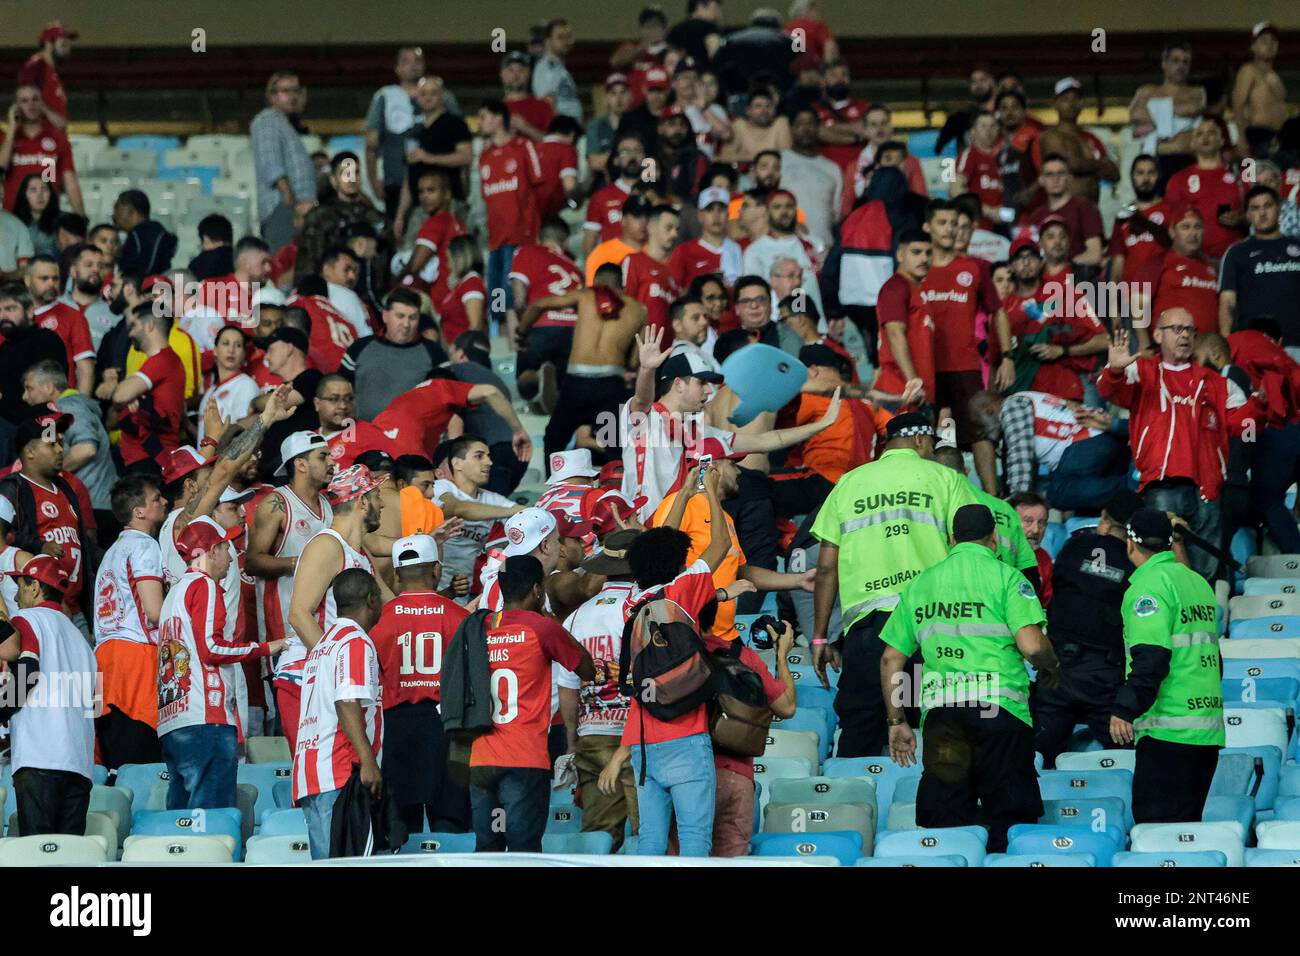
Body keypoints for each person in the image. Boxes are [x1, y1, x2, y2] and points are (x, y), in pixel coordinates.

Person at [880, 503, 1058, 853]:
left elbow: (890, 659)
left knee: (945, 824)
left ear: (951, 539)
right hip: (1000, 714)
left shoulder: (922, 584)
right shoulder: (1007, 577)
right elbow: (1033, 646)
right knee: (1009, 824)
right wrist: (1052, 667)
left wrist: (896, 721)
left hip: (944, 719)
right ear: (994, 539)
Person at [809, 412, 978, 755]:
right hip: (932, 626)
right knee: (937, 723)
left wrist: (820, 635)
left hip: (869, 632)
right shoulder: (946, 479)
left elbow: (826, 569)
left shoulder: (849, 483)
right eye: (931, 443)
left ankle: (853, 802)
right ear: (919, 440)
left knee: (860, 726)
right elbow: (972, 550)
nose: (932, 450)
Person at [621, 326, 842, 522]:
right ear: (678, 384)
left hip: (671, 532)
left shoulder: (698, 433)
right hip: (639, 531)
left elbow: (766, 441)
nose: (709, 390)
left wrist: (822, 424)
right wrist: (647, 370)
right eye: (702, 383)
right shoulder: (646, 420)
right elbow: (641, 400)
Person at [1098, 319, 1245, 579]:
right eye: (1176, 328)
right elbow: (1111, 391)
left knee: (1205, 577)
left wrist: (1260, 410)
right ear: (1157, 334)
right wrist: (1115, 371)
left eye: (1189, 329)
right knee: (1160, 567)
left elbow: (1244, 426)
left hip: (1207, 488)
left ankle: (1202, 616)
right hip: (1161, 484)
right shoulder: (1141, 371)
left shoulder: (1217, 382)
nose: (1184, 334)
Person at [157, 516, 287, 810]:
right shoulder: (204, 586)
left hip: (174, 720)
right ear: (212, 550)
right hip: (206, 719)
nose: (231, 556)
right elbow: (211, 649)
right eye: (227, 548)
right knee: (211, 821)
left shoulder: (174, 594)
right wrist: (268, 647)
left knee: (182, 819)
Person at [470, 555, 594, 852]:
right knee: (523, 850)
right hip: (523, 759)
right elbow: (586, 669)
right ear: (538, 590)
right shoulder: (541, 627)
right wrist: (555, 624)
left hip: (481, 759)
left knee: (488, 849)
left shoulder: (480, 626)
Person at [1109, 509, 1224, 823]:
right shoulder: (1197, 582)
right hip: (1206, 731)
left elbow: (1152, 658)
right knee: (1184, 837)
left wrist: (1125, 708)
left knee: (1157, 838)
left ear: (1131, 544)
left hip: (1168, 731)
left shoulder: (1147, 586)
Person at [1031, 490, 1146, 766]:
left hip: (1058, 669)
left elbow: (1057, 585)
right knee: (1126, 760)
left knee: (1036, 758)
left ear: (1104, 521)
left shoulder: (1075, 546)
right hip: (1104, 675)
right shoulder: (1137, 563)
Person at [366, 533, 469, 833]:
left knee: (401, 828)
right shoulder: (461, 617)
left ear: (397, 575)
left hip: (397, 727)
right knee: (451, 822)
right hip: (448, 726)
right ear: (436, 570)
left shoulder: (379, 620)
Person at [0, 553, 97, 836]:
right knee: (68, 858)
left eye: (21, 586)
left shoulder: (27, 619)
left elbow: (28, 673)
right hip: (79, 763)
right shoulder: (82, 639)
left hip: (39, 757)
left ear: (35, 587)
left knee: (38, 857)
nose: (17, 596)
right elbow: (96, 703)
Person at [293, 567, 385, 859]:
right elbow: (346, 702)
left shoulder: (323, 645)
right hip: (339, 773)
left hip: (312, 772)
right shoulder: (354, 642)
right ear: (372, 600)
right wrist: (369, 760)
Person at [91, 475, 168, 769]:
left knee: (114, 767)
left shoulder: (111, 551)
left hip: (103, 661)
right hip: (135, 659)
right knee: (143, 767)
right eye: (156, 499)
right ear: (139, 512)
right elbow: (155, 612)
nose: (164, 502)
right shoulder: (145, 546)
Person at [537, 268, 646, 463]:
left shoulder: (585, 295)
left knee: (554, 439)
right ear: (621, 285)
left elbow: (539, 305)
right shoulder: (639, 310)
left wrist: (521, 332)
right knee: (615, 445)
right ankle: (614, 489)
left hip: (576, 381)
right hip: (611, 383)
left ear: (595, 282)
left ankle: (553, 489)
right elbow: (634, 361)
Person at [0, 408, 94, 631]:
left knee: (84, 664)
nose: (61, 450)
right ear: (30, 451)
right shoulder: (12, 488)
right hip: (36, 608)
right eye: (52, 444)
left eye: (61, 443)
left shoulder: (67, 489)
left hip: (74, 606)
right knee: (35, 666)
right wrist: (38, 545)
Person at [21, 359, 113, 532]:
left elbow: (86, 448)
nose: (25, 397)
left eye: (29, 388)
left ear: (49, 386)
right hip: (99, 501)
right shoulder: (73, 406)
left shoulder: (68, 407)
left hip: (94, 504)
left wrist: (47, 473)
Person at [932, 446, 1040, 592]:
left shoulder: (936, 506)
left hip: (959, 599)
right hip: (1005, 596)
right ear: (966, 471)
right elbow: (1029, 571)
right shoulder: (1004, 508)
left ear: (933, 472)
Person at [477, 99, 544, 330]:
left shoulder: (523, 147)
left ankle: (517, 349)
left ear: (498, 119)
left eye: (483, 117)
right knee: (495, 297)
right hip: (495, 240)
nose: (480, 123)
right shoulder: (484, 157)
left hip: (519, 238)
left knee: (512, 296)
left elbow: (540, 185)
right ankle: (502, 351)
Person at [430, 435, 526, 589]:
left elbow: (527, 521)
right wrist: (514, 510)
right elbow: (458, 508)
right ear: (457, 463)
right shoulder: (440, 487)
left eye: (488, 456)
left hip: (464, 592)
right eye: (479, 456)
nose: (489, 462)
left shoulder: (492, 499)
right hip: (432, 586)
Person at [340, 289, 447, 420]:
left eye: (413, 318)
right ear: (385, 316)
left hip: (412, 436)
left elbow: (447, 398)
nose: (406, 324)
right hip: (362, 434)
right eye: (400, 316)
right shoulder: (359, 348)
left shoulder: (435, 354)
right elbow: (339, 390)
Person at [510, 217, 583, 407]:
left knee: (523, 381)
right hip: (574, 331)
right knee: (561, 381)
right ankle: (552, 388)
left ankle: (537, 378)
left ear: (539, 238)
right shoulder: (576, 268)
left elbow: (519, 300)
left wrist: (522, 330)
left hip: (542, 325)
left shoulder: (527, 251)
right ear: (565, 241)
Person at [1219, 186, 1300, 353]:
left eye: (1268, 206)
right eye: (1255, 208)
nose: (1262, 213)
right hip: (1254, 347)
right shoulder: (1236, 253)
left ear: (1279, 209)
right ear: (1247, 215)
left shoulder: (1298, 247)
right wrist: (1226, 346)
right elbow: (1228, 303)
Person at [109, 302, 185, 476]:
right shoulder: (165, 362)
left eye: (134, 326)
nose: (130, 333)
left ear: (149, 325)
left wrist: (129, 396)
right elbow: (112, 418)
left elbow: (120, 395)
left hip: (150, 460)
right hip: (146, 460)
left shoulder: (163, 361)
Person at [251, 71, 318, 252]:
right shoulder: (268, 120)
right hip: (283, 208)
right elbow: (270, 162)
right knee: (285, 265)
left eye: (296, 91)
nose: (292, 96)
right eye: (285, 91)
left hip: (295, 209)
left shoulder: (286, 124)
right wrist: (291, 202)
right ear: (272, 96)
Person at [397, 75, 474, 229]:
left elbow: (466, 157)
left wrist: (429, 158)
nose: (428, 97)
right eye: (423, 93)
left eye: (433, 93)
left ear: (442, 96)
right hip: (420, 209)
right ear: (417, 98)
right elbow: (409, 176)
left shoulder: (455, 124)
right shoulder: (414, 131)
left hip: (449, 206)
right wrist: (400, 214)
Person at [1162, 119, 1243, 261]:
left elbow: (1251, 212)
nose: (1205, 137)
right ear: (1192, 143)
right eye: (1199, 134)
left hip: (1232, 257)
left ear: (1222, 140)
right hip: (1194, 259)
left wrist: (1240, 219)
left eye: (1211, 133)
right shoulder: (1178, 180)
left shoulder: (1239, 177)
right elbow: (1170, 223)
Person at [295, 152, 384, 281]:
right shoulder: (319, 217)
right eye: (344, 173)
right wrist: (350, 246)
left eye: (356, 172)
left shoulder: (376, 217)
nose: (351, 178)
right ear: (333, 179)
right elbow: (309, 263)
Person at [0, 83, 83, 215]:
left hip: (48, 217)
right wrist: (11, 130)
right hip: (13, 215)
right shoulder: (6, 139)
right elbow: (1, 167)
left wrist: (80, 218)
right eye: (24, 101)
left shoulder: (58, 139)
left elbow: (70, 181)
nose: (31, 105)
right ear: (15, 106)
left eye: (35, 99)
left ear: (42, 103)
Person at [365, 46, 426, 218]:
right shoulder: (385, 97)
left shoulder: (442, 95)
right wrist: (374, 181)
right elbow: (371, 145)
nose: (412, 66)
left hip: (434, 183)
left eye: (417, 60)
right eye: (406, 61)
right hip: (396, 183)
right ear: (397, 67)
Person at [741, 190, 822, 315]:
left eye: (789, 206)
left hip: (818, 325)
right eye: (777, 207)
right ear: (767, 211)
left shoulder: (815, 244)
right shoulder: (755, 251)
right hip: (779, 324)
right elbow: (756, 293)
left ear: (795, 210)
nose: (784, 212)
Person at [0, 283, 69, 424]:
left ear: (30, 311)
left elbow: (47, 396)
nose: (3, 316)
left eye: (10, 309)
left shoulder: (45, 341)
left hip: (39, 426)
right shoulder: (3, 348)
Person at [1128, 38, 1205, 163]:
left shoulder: (1197, 92)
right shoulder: (1146, 91)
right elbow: (1137, 116)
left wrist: (1154, 110)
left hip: (1187, 160)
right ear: (1164, 63)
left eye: (1185, 62)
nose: (1181, 66)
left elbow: (1192, 108)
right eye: (1175, 61)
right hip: (1154, 161)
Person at [27, 255, 94, 394]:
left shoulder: (73, 316)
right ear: (28, 280)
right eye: (44, 278)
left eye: (55, 278)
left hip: (61, 404)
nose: (51, 284)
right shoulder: (12, 316)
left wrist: (80, 408)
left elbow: (85, 369)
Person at [1150, 205, 1217, 335]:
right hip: (1171, 348)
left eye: (1197, 227)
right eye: (1185, 227)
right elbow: (1137, 301)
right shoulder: (1158, 261)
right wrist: (1143, 342)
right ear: (1172, 231)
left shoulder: (1211, 267)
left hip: (1206, 348)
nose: (1193, 233)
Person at [782, 106, 842, 250]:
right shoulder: (778, 161)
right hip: (784, 246)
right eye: (800, 123)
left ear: (818, 128)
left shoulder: (833, 169)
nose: (805, 128)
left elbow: (836, 216)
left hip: (823, 248)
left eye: (810, 123)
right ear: (791, 128)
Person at [1026, 155, 1104, 266]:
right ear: (1041, 180)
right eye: (1049, 174)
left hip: (1077, 278)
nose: (1055, 179)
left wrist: (1061, 269)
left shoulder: (1085, 207)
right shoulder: (1036, 216)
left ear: (1069, 177)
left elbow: (1095, 254)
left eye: (1060, 173)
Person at [621, 203, 681, 337]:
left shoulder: (674, 271)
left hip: (667, 351)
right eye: (669, 228)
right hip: (639, 349)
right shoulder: (634, 261)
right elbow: (624, 304)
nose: (674, 234)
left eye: (677, 229)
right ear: (651, 227)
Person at [1231, 22, 1288, 157]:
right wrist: (1242, 139)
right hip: (1258, 136)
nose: (1269, 45)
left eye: (1273, 41)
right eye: (1264, 41)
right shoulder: (1249, 71)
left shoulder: (1275, 77)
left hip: (1278, 138)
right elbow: (1238, 104)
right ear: (1253, 46)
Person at [16, 21, 76, 129]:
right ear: (49, 44)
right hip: (42, 140)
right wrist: (56, 120)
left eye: (68, 45)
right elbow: (25, 104)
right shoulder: (35, 68)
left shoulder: (51, 70)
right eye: (63, 45)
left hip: (53, 139)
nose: (67, 50)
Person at [113, 190, 176, 278]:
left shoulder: (143, 233)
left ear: (131, 211)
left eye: (117, 208)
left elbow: (147, 267)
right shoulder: (153, 231)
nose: (114, 214)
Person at [499, 51, 553, 145]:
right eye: (511, 70)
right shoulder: (495, 110)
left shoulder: (543, 106)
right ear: (502, 74)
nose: (516, 75)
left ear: (528, 74)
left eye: (521, 70)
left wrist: (526, 128)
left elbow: (553, 143)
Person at [666, 0, 724, 66]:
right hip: (703, 72)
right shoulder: (710, 28)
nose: (718, 14)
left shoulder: (674, 29)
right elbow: (715, 53)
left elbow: (669, 58)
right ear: (701, 6)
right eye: (715, 9)